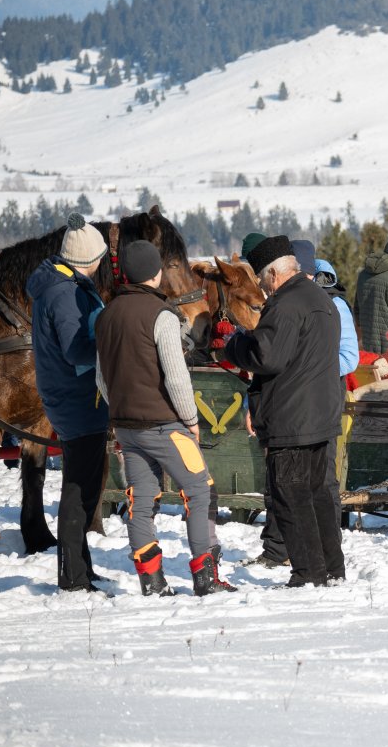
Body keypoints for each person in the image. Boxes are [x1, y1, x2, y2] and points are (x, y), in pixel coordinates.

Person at [94, 241, 236, 596]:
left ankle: (152, 581)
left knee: (141, 500)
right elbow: (176, 376)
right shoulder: (162, 316)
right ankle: (206, 577)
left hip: (126, 427)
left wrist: (120, 408)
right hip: (165, 425)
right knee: (200, 490)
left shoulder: (106, 315)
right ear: (157, 274)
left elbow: (100, 376)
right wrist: (190, 419)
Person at [224, 236, 345, 587]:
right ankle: (331, 569)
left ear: (274, 274)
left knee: (292, 498)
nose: (262, 287)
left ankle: (308, 573)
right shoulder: (322, 299)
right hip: (320, 415)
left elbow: (267, 356)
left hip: (292, 419)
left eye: (262, 279)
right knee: (319, 494)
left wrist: (235, 343)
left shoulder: (285, 304)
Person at [27, 213, 112, 592]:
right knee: (79, 491)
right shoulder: (66, 293)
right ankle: (72, 576)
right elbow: (77, 349)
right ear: (87, 259)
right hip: (77, 398)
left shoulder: (61, 285)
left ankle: (81, 568)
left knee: (84, 487)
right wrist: (109, 338)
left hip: (74, 396)